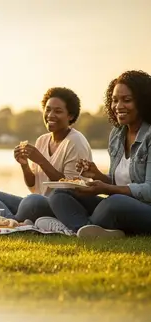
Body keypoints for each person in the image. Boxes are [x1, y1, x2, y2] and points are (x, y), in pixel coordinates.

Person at [42, 70, 151, 238]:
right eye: (114, 100)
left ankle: (78, 227)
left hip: (143, 209)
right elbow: (120, 181)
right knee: (61, 194)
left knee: (114, 203)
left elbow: (149, 190)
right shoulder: (117, 134)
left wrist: (107, 188)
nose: (118, 106)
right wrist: (97, 175)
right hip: (119, 204)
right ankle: (87, 230)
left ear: (143, 102)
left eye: (126, 100)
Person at [0, 87, 92, 223]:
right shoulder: (42, 140)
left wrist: (41, 160)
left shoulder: (75, 142)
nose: (50, 115)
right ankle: (13, 221)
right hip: (38, 201)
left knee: (32, 201)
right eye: (48, 110)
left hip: (62, 207)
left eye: (58, 111)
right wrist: (24, 165)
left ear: (70, 116)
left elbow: (70, 190)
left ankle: (13, 222)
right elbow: (34, 185)